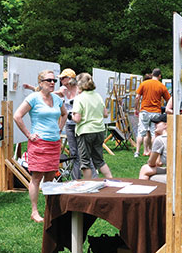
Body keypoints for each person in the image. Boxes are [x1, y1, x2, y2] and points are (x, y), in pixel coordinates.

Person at [13, 70, 67, 223]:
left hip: (54, 143)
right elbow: (17, 116)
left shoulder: (57, 99)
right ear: (40, 82)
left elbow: (64, 114)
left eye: (54, 80)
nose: (52, 83)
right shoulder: (33, 98)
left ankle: (50, 209)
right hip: (39, 143)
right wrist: (29, 135)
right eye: (49, 80)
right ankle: (34, 211)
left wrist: (60, 128)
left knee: (50, 177)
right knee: (37, 178)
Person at [71, 73, 113, 179]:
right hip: (99, 130)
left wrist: (70, 115)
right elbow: (105, 114)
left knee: (85, 162)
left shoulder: (79, 98)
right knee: (99, 160)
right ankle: (111, 180)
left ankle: (88, 186)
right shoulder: (97, 96)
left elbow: (77, 119)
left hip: (85, 131)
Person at [54, 68, 90, 180]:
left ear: (70, 79)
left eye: (63, 78)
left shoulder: (80, 90)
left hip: (81, 124)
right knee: (73, 152)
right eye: (60, 78)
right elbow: (49, 93)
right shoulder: (63, 90)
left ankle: (91, 176)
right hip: (69, 124)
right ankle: (76, 179)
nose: (61, 79)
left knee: (83, 151)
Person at [134, 68, 170, 157]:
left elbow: (137, 97)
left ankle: (137, 152)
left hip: (144, 111)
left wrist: (136, 108)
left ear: (152, 74)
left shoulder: (144, 84)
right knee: (154, 133)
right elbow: (169, 100)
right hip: (156, 112)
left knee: (141, 132)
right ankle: (154, 153)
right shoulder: (161, 86)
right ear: (160, 76)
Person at [139, 114, 168, 180]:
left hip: (172, 174)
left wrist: (156, 138)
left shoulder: (160, 139)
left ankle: (142, 188)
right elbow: (159, 163)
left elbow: (151, 163)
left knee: (144, 169)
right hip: (180, 171)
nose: (155, 125)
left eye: (157, 123)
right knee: (145, 168)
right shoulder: (176, 136)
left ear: (166, 125)